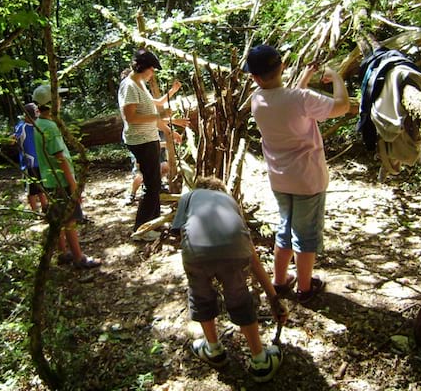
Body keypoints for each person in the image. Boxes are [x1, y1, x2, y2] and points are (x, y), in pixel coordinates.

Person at [244, 45, 350, 303]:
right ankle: (305, 288)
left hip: (280, 179)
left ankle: (280, 281)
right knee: (305, 234)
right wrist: (337, 78)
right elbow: (342, 106)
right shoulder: (300, 100)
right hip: (307, 180)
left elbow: (290, 99)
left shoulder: (257, 100)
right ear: (281, 67)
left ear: (256, 78)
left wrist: (305, 76)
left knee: (285, 227)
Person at [171, 176, 288, 383]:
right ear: (221, 190)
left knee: (200, 294)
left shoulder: (188, 197)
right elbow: (251, 253)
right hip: (236, 251)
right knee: (239, 296)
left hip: (195, 252)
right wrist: (273, 298)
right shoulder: (229, 201)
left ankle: (213, 349)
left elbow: (182, 233)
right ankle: (260, 360)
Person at [117, 49, 188, 230]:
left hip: (149, 138)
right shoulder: (130, 86)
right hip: (140, 141)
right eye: (152, 69)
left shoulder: (139, 84)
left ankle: (153, 223)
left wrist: (168, 130)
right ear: (143, 68)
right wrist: (162, 114)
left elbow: (151, 115)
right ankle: (142, 228)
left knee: (154, 183)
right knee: (151, 185)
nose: (153, 73)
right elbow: (130, 117)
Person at [32, 83, 101, 269]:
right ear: (51, 103)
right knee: (69, 220)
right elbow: (60, 158)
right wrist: (73, 186)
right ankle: (79, 258)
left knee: (58, 219)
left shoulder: (39, 124)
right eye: (57, 98)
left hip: (49, 180)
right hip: (60, 181)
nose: (61, 101)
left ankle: (64, 253)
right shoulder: (50, 127)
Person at [13, 102, 49, 213]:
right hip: (29, 164)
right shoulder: (22, 127)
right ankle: (35, 212)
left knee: (42, 188)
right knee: (32, 191)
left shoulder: (38, 126)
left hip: (41, 162)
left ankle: (46, 208)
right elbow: (13, 139)